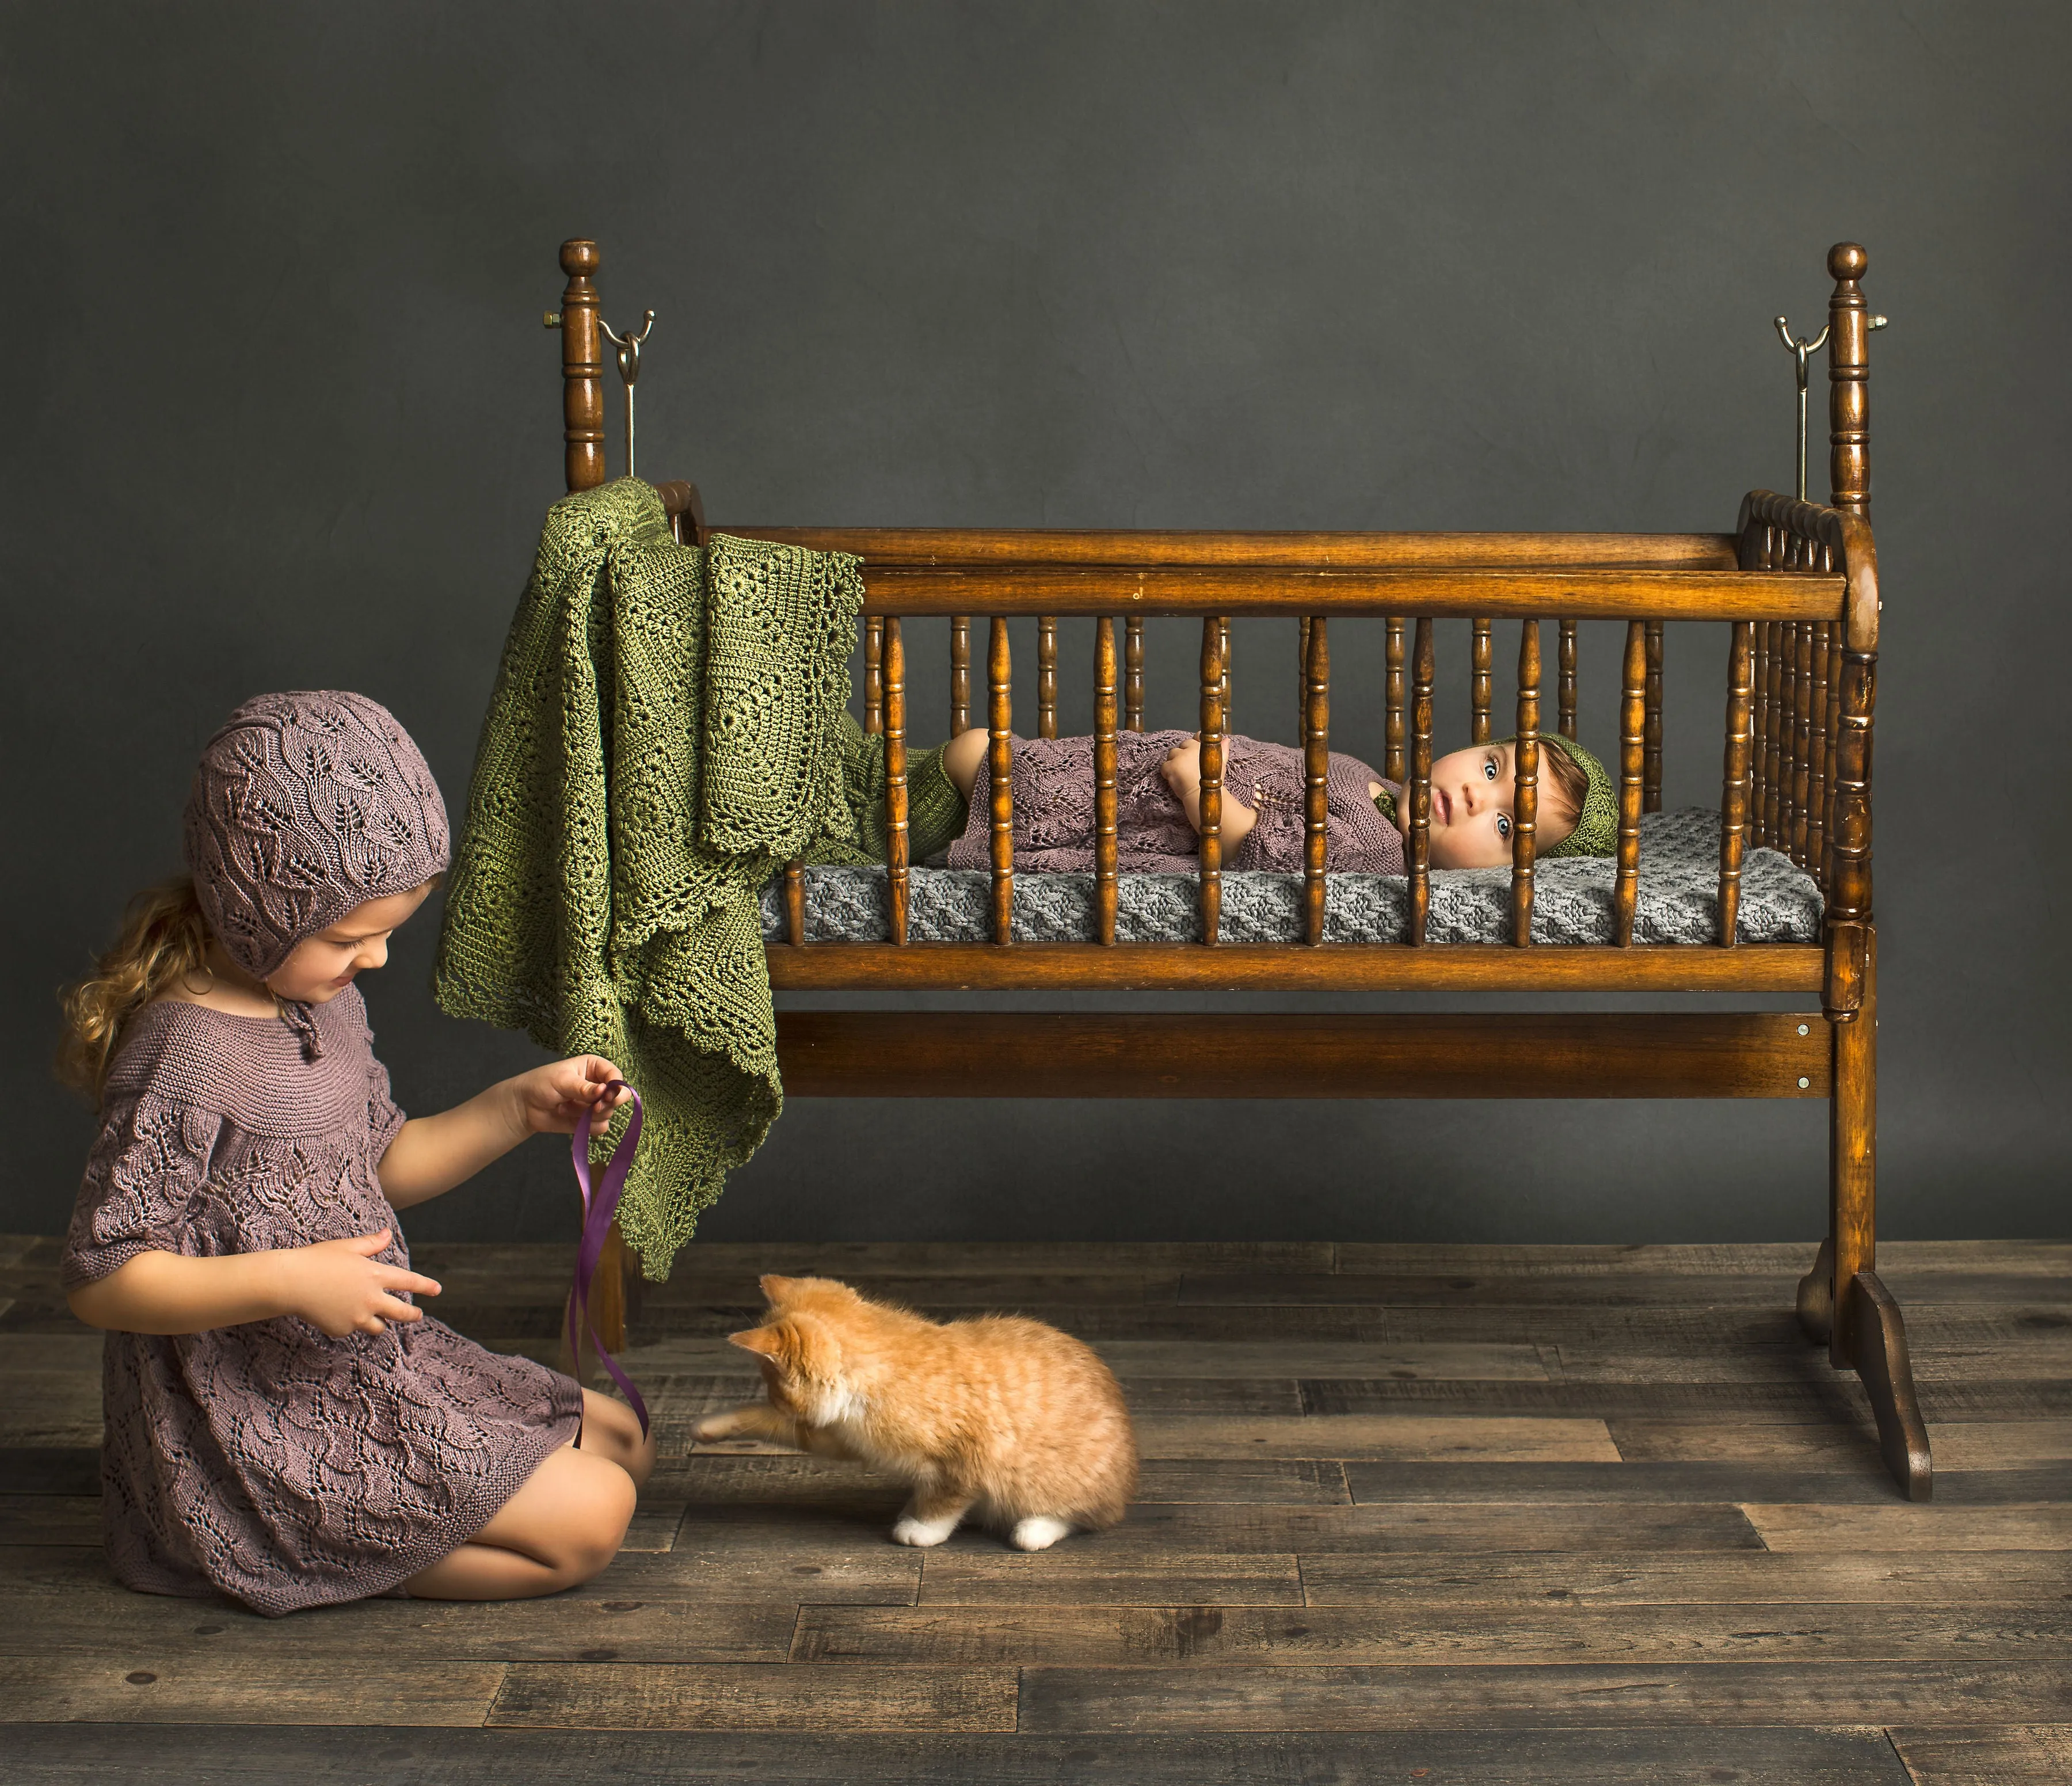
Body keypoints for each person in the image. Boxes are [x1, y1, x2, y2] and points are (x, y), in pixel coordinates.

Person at [56, 691, 654, 1617]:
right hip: (254, 1407)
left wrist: (513, 1106)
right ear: (252, 909)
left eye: (387, 931)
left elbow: (381, 1166)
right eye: (348, 935)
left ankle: (407, 1521)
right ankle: (330, 1551)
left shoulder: (324, 1004)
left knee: (620, 1440)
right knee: (595, 1515)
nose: (373, 959)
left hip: (360, 1362)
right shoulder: (187, 1053)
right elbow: (104, 1276)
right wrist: (291, 1281)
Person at [937, 725, 1616, 873]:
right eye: (1493, 767)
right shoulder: (1378, 785)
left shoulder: (1380, 851)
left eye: (1504, 823)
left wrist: (1198, 787)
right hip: (1135, 777)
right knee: (985, 757)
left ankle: (884, 810)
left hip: (1148, 815)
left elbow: (1263, 852)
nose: (1473, 794)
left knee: (983, 762)